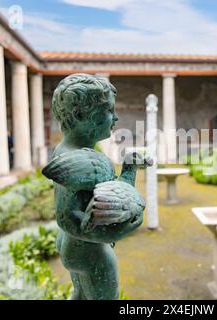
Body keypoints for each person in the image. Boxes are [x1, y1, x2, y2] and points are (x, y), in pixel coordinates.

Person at [42, 74, 150, 300]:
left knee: (81, 295)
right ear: (81, 115)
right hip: (89, 250)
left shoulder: (69, 148)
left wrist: (130, 167)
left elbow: (106, 193)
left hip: (76, 246)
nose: (116, 117)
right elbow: (67, 217)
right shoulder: (76, 156)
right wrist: (115, 232)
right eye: (109, 111)